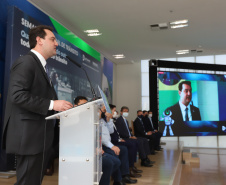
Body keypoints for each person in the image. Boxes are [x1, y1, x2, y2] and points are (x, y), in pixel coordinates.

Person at [2, 25, 73, 185]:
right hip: (29, 139)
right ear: (39, 40)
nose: (57, 44)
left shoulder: (41, 66)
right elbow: (17, 95)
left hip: (39, 138)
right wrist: (52, 104)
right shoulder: (26, 62)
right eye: (53, 39)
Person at [100, 105, 137, 184]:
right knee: (117, 153)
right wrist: (112, 146)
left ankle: (124, 175)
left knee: (123, 149)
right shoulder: (98, 120)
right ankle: (118, 179)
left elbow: (110, 131)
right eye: (113, 111)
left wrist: (108, 119)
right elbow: (103, 137)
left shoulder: (104, 120)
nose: (114, 113)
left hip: (107, 144)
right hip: (105, 145)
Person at [109, 104, 142, 178]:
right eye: (114, 111)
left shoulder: (121, 120)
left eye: (127, 111)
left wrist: (130, 136)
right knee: (131, 145)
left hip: (120, 139)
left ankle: (132, 165)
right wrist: (123, 138)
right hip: (117, 140)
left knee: (135, 142)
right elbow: (118, 133)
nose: (115, 113)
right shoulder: (117, 120)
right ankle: (129, 168)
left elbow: (117, 133)